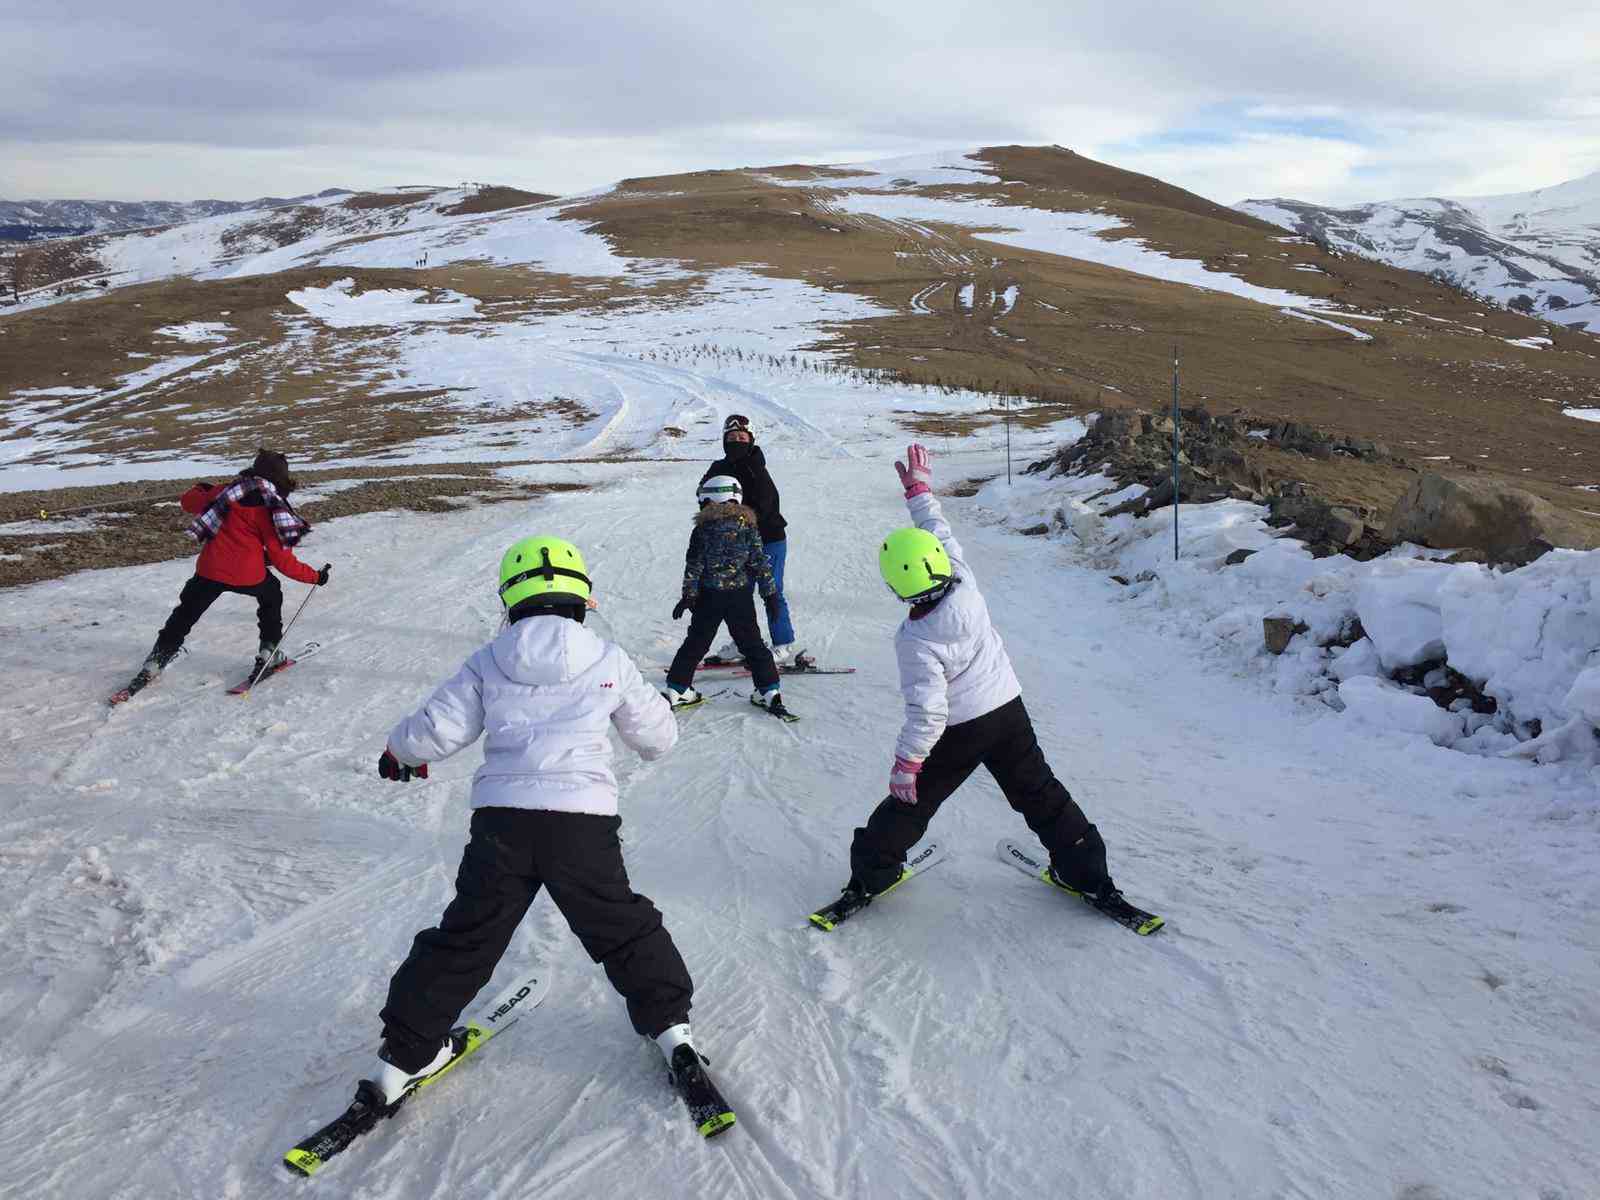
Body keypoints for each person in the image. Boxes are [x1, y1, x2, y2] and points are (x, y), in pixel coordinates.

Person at [366, 535, 709, 1106]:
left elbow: (436, 728)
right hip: (582, 824)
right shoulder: (607, 658)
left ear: (512, 599)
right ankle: (672, 1028)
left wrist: (401, 754)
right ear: (581, 598)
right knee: (621, 925)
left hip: (503, 824)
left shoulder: (489, 659)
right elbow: (657, 739)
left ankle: (404, 1056)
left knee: (468, 936)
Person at [823, 443, 1120, 915]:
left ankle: (872, 874)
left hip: (962, 729)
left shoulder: (916, 639)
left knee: (912, 803)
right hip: (1007, 711)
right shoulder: (962, 577)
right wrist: (919, 490)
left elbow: (928, 710)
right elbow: (936, 530)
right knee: (1040, 793)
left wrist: (907, 765)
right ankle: (1087, 872)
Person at [123, 449, 328, 695]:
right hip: (248, 575)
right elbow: (282, 561)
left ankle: (157, 658)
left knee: (185, 613)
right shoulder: (271, 506)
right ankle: (268, 652)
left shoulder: (225, 491)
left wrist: (202, 488)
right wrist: (315, 577)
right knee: (271, 595)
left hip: (210, 571)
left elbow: (188, 502)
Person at [662, 475, 791, 719]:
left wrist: (689, 595)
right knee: (753, 645)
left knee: (696, 643)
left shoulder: (701, 530)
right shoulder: (748, 527)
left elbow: (694, 565)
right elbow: (760, 564)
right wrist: (770, 595)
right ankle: (769, 691)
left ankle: (677, 689)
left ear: (706, 498)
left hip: (708, 598)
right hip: (739, 597)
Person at [699, 415, 797, 666]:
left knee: (771, 590)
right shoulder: (718, 467)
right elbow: (703, 493)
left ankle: (783, 644)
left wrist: (736, 520)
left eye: (742, 438)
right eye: (731, 438)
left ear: (751, 440)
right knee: (737, 594)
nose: (736, 441)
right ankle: (745, 642)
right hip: (735, 542)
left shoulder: (756, 468)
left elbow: (766, 506)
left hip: (768, 539)